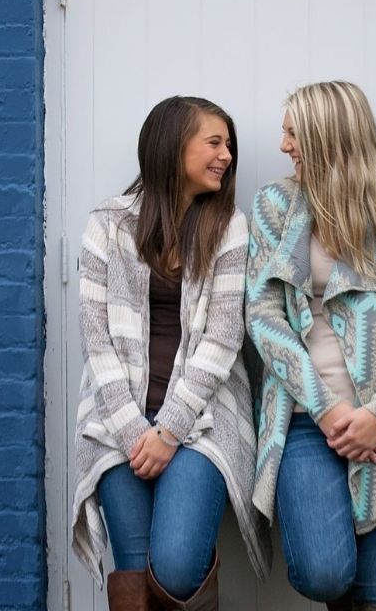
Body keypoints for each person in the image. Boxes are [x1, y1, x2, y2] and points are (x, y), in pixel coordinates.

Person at [246, 81, 376, 611]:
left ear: (326, 137)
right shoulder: (276, 205)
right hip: (306, 421)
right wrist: (327, 406)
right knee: (325, 574)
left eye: (293, 134)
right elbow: (262, 315)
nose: (284, 146)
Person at [71, 96, 269, 611]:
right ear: (172, 146)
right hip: (118, 421)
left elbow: (224, 338)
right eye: (214, 142)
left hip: (201, 418)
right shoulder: (108, 226)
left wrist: (168, 431)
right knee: (133, 573)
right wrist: (137, 432)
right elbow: (97, 340)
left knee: (178, 568)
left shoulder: (229, 227)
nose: (226, 155)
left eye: (230, 145)